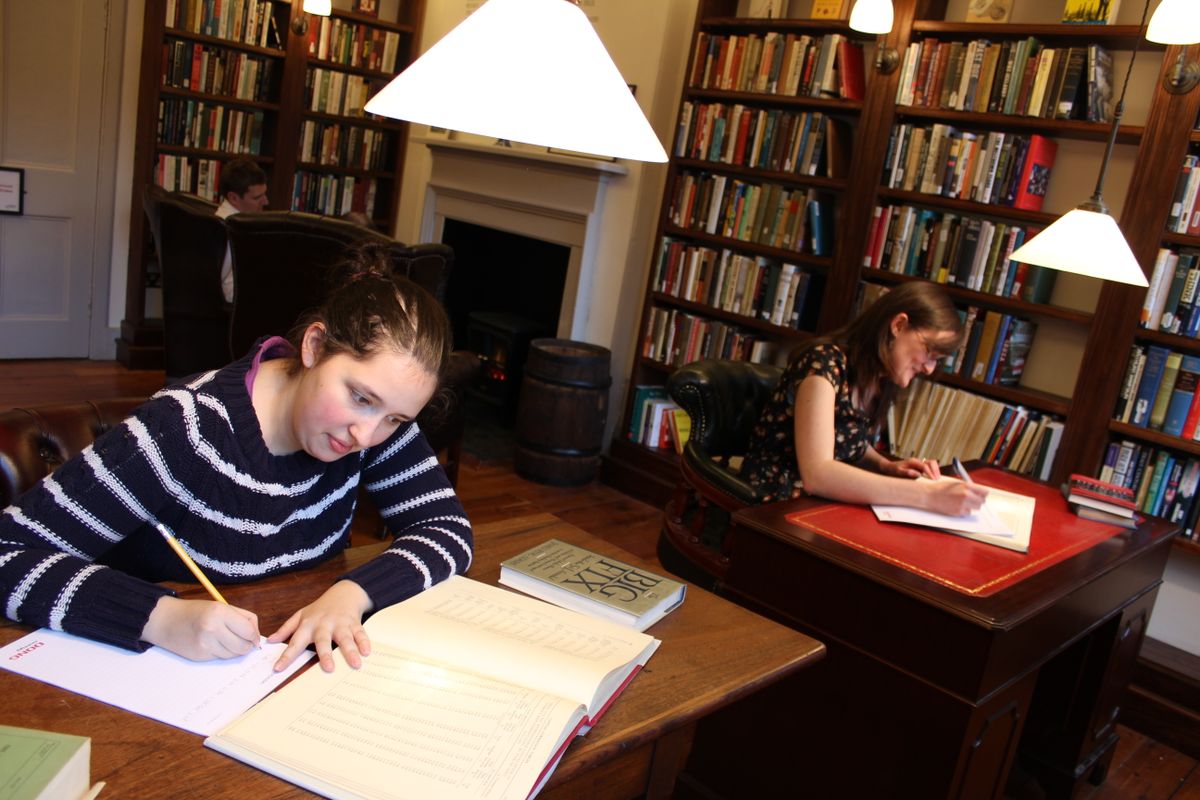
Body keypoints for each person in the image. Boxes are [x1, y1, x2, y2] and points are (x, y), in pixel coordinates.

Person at [0, 243, 472, 674]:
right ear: (314, 346)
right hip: (156, 676)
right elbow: (6, 555)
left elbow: (447, 530)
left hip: (284, 673)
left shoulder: (378, 423)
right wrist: (159, 617)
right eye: (360, 398)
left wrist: (352, 594)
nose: (365, 436)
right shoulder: (183, 429)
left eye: (395, 418)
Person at [742, 281, 989, 517]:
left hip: (822, 507)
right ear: (899, 325)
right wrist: (928, 495)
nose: (930, 368)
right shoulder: (823, 364)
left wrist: (885, 466)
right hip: (774, 509)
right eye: (930, 352)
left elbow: (846, 439)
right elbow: (818, 474)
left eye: (938, 359)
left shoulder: (877, 379)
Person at [215, 157, 269, 303]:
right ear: (233, 197)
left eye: (264, 194)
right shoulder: (229, 230)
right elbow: (224, 287)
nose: (266, 201)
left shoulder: (233, 220)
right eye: (257, 197)